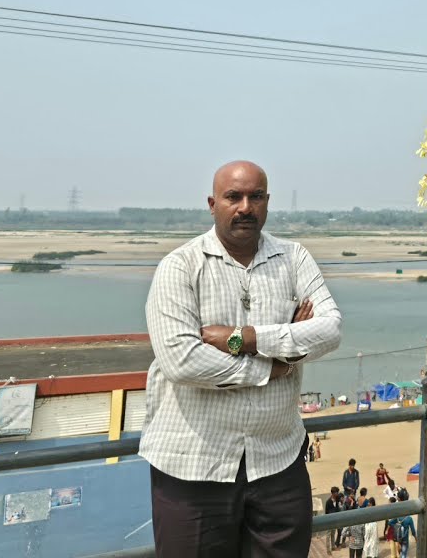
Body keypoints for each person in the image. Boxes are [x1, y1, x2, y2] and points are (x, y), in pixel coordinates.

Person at [139, 160, 344, 558]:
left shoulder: (294, 259)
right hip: (194, 466)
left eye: (256, 196)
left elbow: (329, 330)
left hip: (278, 463)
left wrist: (244, 338)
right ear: (213, 204)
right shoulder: (180, 267)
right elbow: (181, 360)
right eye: (234, 197)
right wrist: (275, 363)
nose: (245, 207)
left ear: (268, 203)